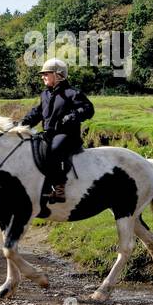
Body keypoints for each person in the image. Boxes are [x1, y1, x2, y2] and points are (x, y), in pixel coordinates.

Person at [19, 57, 94, 204]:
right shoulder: (45, 95)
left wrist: (73, 115)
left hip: (68, 136)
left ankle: (59, 189)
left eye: (46, 74)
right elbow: (37, 113)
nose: (43, 77)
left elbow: (88, 109)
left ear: (58, 75)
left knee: (52, 150)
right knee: (33, 148)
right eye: (43, 74)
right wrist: (22, 124)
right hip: (48, 135)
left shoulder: (73, 93)